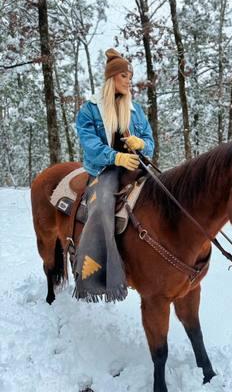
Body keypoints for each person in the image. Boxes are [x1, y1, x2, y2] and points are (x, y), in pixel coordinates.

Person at [74, 48, 155, 302]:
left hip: (137, 167)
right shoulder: (90, 110)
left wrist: (141, 145)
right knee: (100, 208)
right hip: (105, 170)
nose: (129, 80)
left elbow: (150, 141)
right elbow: (91, 147)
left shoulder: (136, 110)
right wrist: (116, 157)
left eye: (130, 75)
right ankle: (96, 277)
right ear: (111, 79)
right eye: (123, 75)